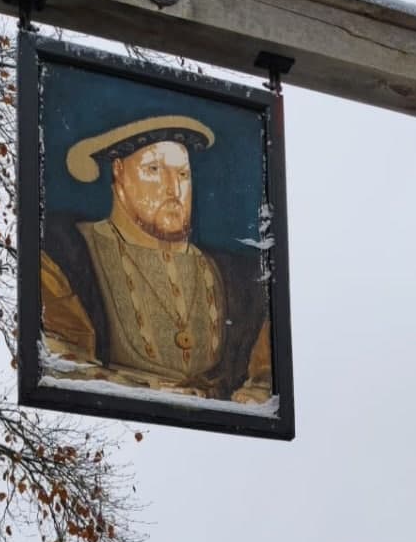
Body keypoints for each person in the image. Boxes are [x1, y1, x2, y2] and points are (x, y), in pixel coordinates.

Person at [40, 115, 272, 404]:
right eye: (154, 170)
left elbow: (267, 374)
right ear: (118, 172)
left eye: (183, 175)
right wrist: (147, 391)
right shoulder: (66, 255)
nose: (173, 189)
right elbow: (57, 358)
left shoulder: (240, 279)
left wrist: (257, 391)